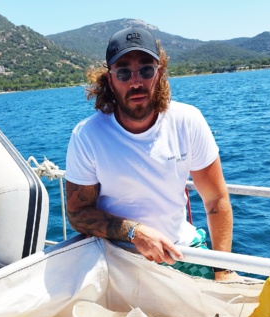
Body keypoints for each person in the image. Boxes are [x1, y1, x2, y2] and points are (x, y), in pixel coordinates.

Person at [65, 27, 234, 280]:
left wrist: (223, 270)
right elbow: (78, 213)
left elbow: (215, 200)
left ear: (160, 73)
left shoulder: (187, 121)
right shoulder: (87, 136)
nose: (136, 82)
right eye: (123, 72)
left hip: (181, 251)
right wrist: (135, 233)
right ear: (109, 80)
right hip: (118, 257)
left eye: (146, 70)